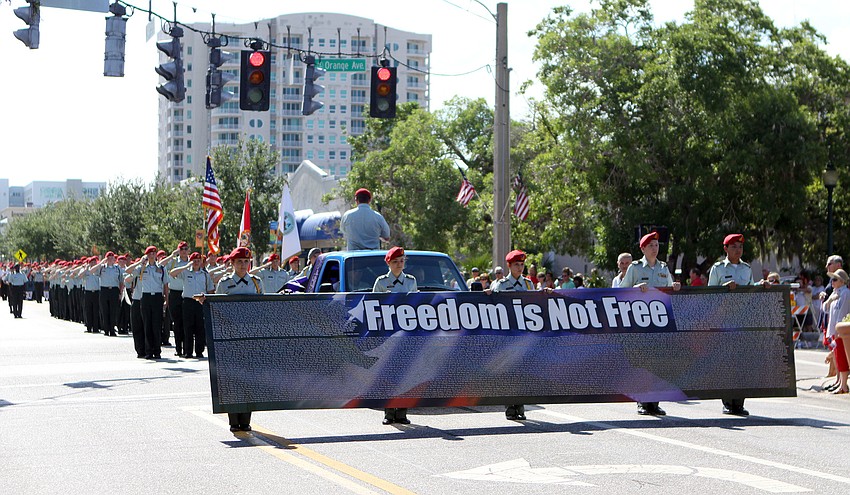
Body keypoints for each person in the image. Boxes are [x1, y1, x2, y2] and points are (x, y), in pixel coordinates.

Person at [487, 249, 554, 421]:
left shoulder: (528, 284)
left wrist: (545, 294)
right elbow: (492, 304)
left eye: (522, 264)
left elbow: (536, 302)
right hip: (508, 335)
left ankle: (520, 406)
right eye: (516, 264)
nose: (520, 267)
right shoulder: (501, 284)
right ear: (509, 266)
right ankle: (510, 407)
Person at [620, 231, 682, 416]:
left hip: (660, 324)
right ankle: (642, 401)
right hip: (641, 323)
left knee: (658, 364)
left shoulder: (663, 268)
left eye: (656, 245)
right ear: (643, 249)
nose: (655, 249)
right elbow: (622, 292)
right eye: (651, 246)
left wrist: (675, 287)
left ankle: (654, 402)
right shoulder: (636, 268)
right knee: (643, 364)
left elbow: (669, 290)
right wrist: (635, 288)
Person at [707, 233, 760, 416]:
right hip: (724, 320)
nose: (738, 250)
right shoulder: (718, 269)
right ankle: (728, 402)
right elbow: (709, 293)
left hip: (742, 320)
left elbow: (752, 291)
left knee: (742, 362)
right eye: (734, 246)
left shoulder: (746, 268)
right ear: (726, 249)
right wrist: (724, 288)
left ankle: (739, 402)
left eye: (740, 247)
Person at [214, 246, 265, 432]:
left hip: (250, 338)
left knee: (248, 379)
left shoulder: (257, 282)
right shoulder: (225, 283)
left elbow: (262, 310)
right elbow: (216, 311)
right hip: (230, 338)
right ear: (232, 264)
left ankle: (245, 419)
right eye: (239, 262)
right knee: (232, 379)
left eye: (246, 261)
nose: (243, 265)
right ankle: (233, 420)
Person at [372, 246, 418, 425]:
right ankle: (389, 411)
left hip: (405, 334)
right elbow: (374, 306)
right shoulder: (382, 282)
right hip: (388, 334)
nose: (399, 264)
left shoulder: (411, 281)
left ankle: (402, 412)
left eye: (402, 261)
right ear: (388, 263)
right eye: (395, 262)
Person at [170, 252, 215, 359]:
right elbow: (172, 273)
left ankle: (199, 351)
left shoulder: (204, 274)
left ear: (201, 262)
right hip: (188, 301)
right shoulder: (185, 272)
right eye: (194, 261)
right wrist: (186, 266)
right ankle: (188, 351)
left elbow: (210, 289)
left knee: (200, 327)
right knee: (187, 327)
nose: (196, 263)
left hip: (200, 302)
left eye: (198, 261)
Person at [126, 246, 166, 360]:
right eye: (149, 254)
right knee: (147, 325)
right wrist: (139, 262)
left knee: (157, 325)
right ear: (146, 256)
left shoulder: (161, 268)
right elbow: (127, 271)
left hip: (157, 297)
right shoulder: (141, 268)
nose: (152, 255)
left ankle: (157, 351)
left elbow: (165, 284)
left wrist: (166, 300)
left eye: (154, 253)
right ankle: (149, 351)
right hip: (146, 297)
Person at [163, 242, 191, 356]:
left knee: (187, 323)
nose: (184, 251)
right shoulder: (173, 262)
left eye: (185, 249)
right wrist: (171, 255)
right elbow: (160, 265)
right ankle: (178, 349)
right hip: (175, 294)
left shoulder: (192, 261)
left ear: (189, 250)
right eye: (181, 249)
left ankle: (187, 349)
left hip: (188, 294)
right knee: (177, 322)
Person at [825, 269, 850, 394]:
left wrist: (838, 330)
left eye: (834, 279)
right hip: (833, 330)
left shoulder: (845, 293)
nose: (832, 282)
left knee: (841, 357)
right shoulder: (835, 293)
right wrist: (829, 300)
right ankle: (840, 382)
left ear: (841, 281)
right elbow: (825, 308)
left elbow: (843, 312)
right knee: (838, 357)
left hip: (840, 331)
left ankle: (843, 385)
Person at [95, 251, 123, 337]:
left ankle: (112, 330)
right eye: (109, 258)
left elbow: (121, 281)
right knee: (104, 310)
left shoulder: (117, 268)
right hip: (104, 290)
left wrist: (120, 292)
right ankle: (106, 329)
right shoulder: (102, 268)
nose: (111, 259)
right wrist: (101, 262)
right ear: (106, 259)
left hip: (114, 290)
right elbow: (92, 270)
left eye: (112, 258)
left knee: (113, 311)